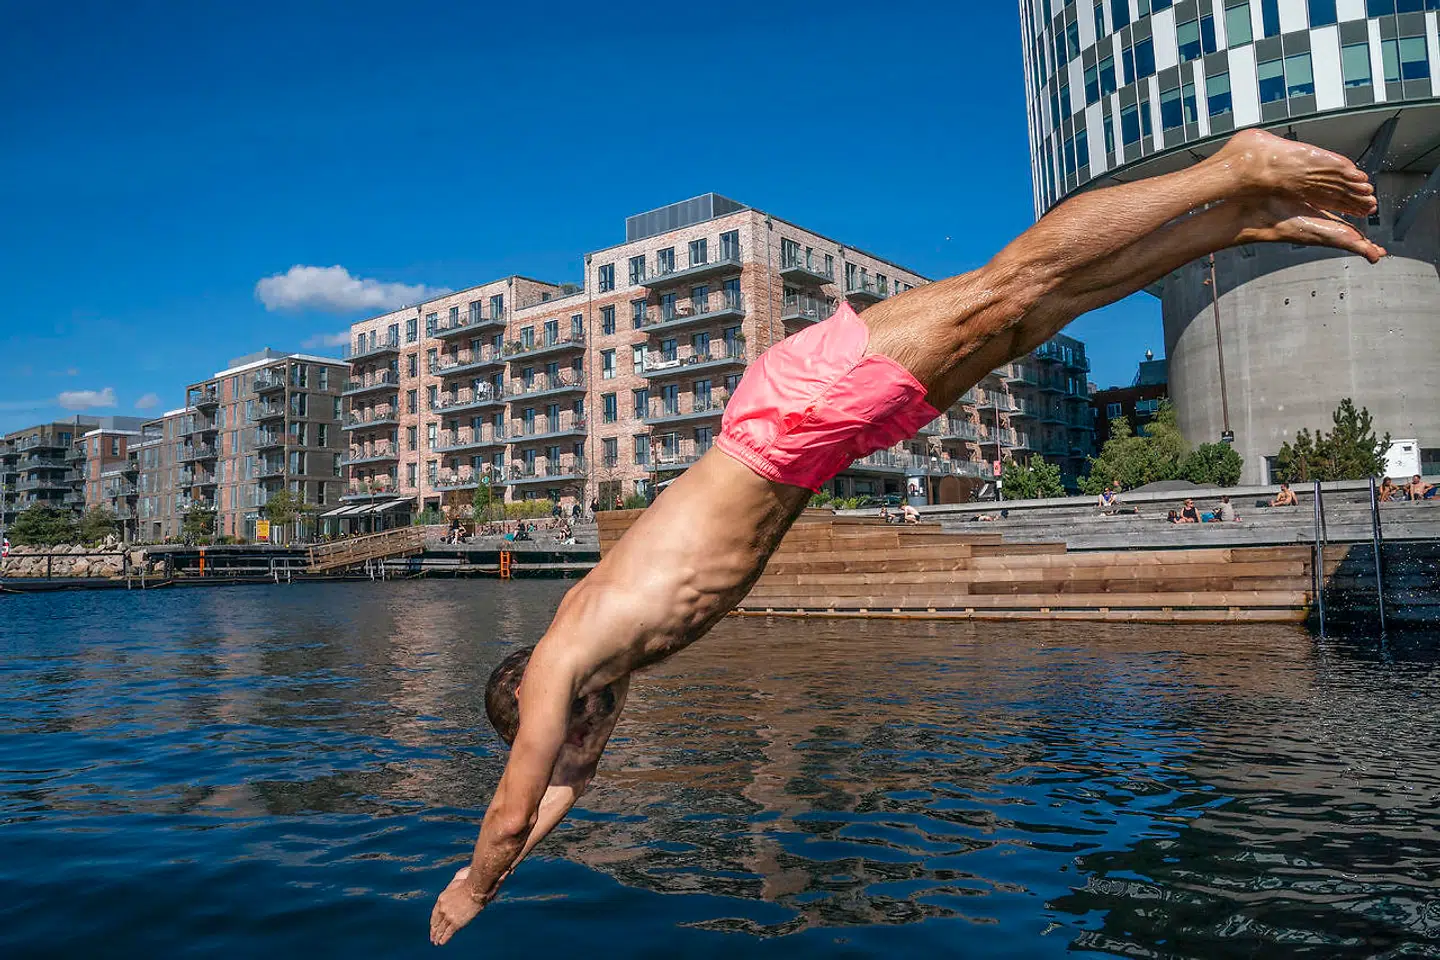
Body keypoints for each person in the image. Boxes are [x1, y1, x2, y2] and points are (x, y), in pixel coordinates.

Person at [429, 129, 1384, 946]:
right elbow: (557, 800)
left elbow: (515, 808)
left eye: (556, 740)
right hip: (815, 441)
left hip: (788, 421)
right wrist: (515, 862)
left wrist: (471, 887)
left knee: (1009, 285)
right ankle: (1235, 222)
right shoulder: (604, 669)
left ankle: (1231, 170)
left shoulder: (565, 660)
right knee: (1027, 319)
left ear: (533, 697)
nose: (577, 751)